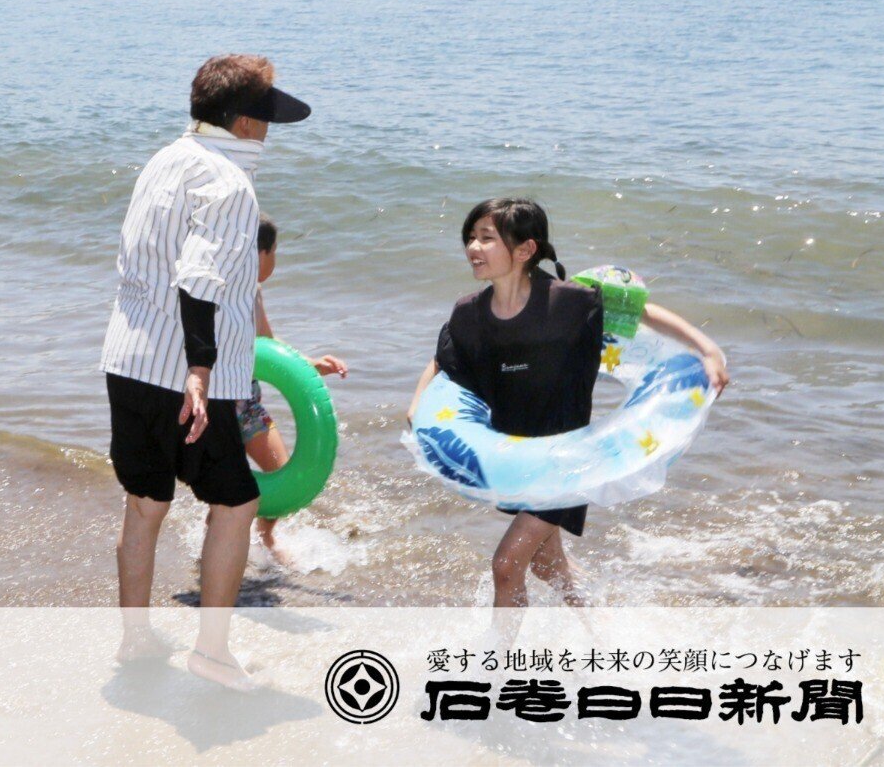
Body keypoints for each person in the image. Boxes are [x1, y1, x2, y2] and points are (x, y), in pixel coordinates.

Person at [100, 53, 309, 690]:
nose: (270, 132)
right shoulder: (230, 184)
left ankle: (136, 638)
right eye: (267, 119)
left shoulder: (163, 160)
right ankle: (211, 652)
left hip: (126, 359)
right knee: (237, 503)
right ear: (246, 122)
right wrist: (199, 368)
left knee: (145, 503)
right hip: (189, 376)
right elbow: (198, 279)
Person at [408, 197, 730, 608]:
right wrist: (419, 402)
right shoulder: (470, 313)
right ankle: (601, 633)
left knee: (506, 565)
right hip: (513, 456)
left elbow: (643, 314)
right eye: (470, 238)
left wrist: (707, 351)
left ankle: (500, 663)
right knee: (546, 566)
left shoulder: (568, 302)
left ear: (525, 249)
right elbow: (446, 362)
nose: (473, 247)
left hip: (569, 462)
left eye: (486, 238)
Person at [236, 213, 347, 559]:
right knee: (227, 489)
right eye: (274, 253)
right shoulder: (218, 291)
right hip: (218, 406)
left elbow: (266, 344)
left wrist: (308, 365)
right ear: (261, 254)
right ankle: (217, 547)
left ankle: (265, 540)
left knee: (284, 475)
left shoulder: (252, 291)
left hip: (247, 406)